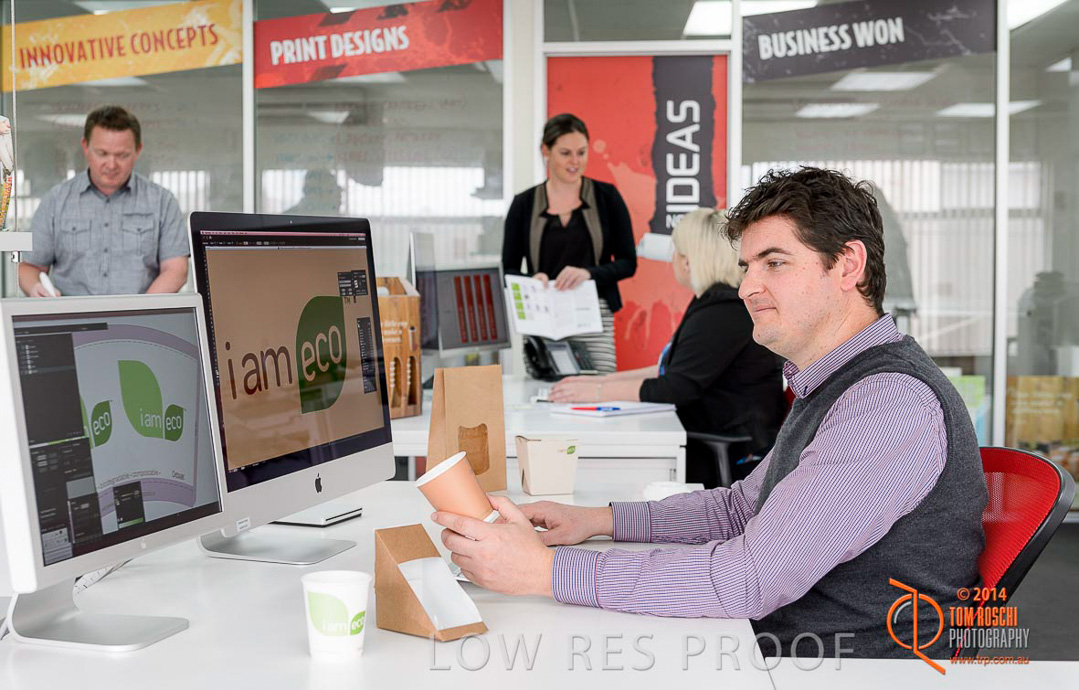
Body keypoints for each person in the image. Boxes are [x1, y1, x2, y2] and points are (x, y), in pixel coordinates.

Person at [434, 167, 988, 660]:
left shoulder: (888, 404)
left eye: (775, 263)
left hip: (838, 666)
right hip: (781, 644)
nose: (747, 287)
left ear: (848, 265)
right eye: (747, 266)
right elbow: (739, 510)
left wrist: (546, 571)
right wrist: (597, 521)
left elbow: (748, 579)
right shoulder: (836, 383)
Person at [549, 207, 784, 487]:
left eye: (677, 251)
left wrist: (596, 392)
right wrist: (597, 382)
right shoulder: (713, 303)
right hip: (716, 435)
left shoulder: (722, 312)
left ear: (688, 261)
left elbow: (674, 387)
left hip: (730, 449)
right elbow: (670, 368)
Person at [502, 113, 636, 372]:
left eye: (581, 152)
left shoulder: (607, 197)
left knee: (598, 387)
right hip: (542, 317)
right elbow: (508, 269)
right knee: (544, 389)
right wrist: (532, 280)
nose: (575, 161)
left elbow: (628, 263)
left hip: (594, 317)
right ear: (546, 151)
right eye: (565, 153)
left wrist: (588, 273)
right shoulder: (524, 204)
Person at [19, 105, 188, 297]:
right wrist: (35, 288)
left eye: (122, 155)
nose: (111, 164)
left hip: (141, 314)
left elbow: (176, 270)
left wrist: (140, 311)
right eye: (102, 153)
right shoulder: (55, 201)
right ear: (86, 147)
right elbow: (29, 267)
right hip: (72, 315)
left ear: (138, 150)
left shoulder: (162, 202)